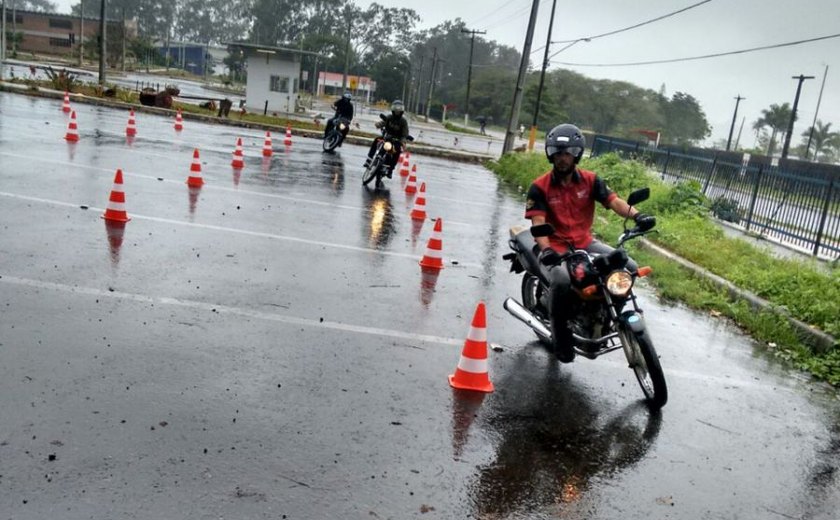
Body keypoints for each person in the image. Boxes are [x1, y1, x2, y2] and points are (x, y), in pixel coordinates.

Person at [524, 123, 655, 361]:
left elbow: (615, 202)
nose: (562, 158)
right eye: (557, 153)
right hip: (557, 247)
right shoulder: (539, 187)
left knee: (630, 268)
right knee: (562, 281)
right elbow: (538, 223)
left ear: (577, 154)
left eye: (567, 153)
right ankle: (561, 337)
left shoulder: (590, 180)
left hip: (585, 243)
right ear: (550, 154)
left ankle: (606, 314)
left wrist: (637, 215)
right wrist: (546, 250)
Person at [365, 99, 409, 178]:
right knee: (376, 140)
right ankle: (369, 159)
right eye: (395, 111)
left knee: (398, 151)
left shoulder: (403, 121)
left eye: (398, 111)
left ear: (402, 111)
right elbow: (383, 122)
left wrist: (403, 142)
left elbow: (404, 134)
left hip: (396, 141)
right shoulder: (389, 117)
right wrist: (378, 124)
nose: (397, 113)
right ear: (393, 110)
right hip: (386, 137)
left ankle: (390, 170)